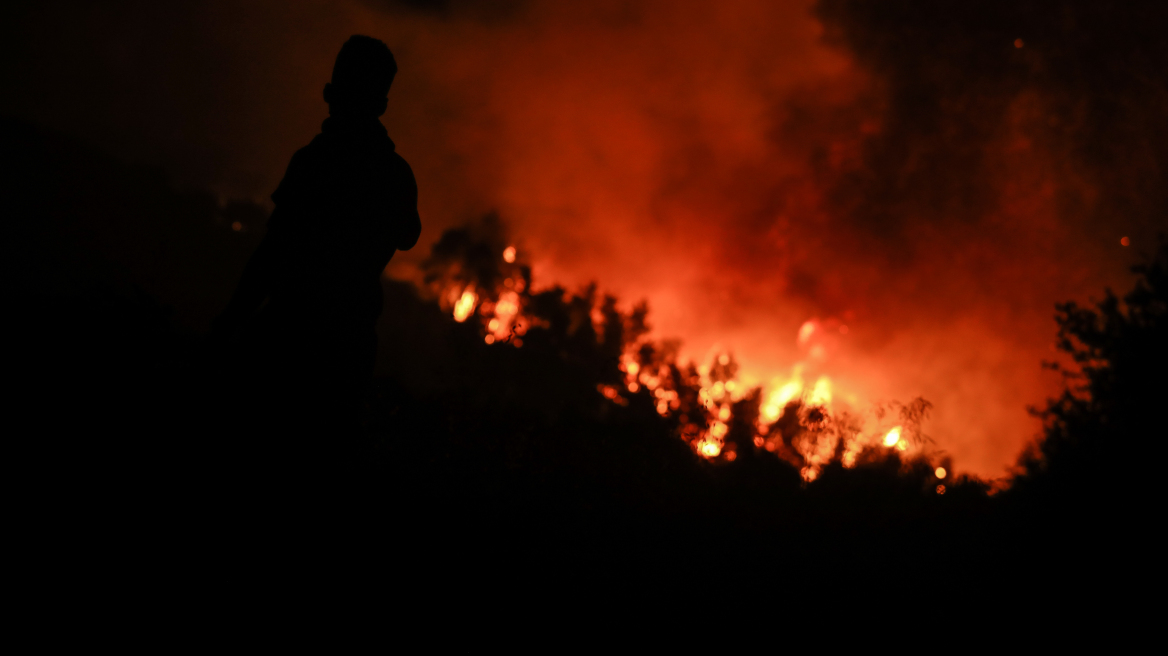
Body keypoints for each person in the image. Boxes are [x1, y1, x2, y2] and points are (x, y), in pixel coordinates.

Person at [212, 35, 421, 480]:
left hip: (291, 333)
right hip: (348, 342)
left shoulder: (315, 161)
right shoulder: (395, 174)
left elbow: (274, 252)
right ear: (381, 103)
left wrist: (230, 321)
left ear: (333, 93)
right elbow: (407, 236)